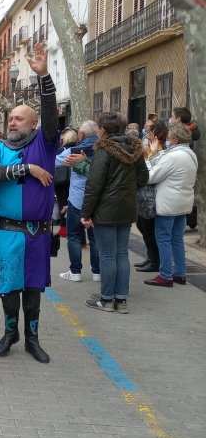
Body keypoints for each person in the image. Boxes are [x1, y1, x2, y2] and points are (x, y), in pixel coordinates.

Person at [0, 42, 59, 363]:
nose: (12, 123)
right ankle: (10, 332)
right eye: (10, 118)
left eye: (19, 119)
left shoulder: (46, 143)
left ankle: (32, 339)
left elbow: (52, 114)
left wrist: (44, 78)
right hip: (8, 230)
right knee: (10, 285)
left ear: (33, 124)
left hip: (38, 231)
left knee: (34, 286)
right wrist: (25, 168)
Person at [80, 112, 148, 313]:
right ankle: (121, 299)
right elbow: (143, 177)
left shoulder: (103, 150)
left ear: (102, 130)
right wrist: (127, 190)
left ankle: (107, 298)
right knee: (121, 254)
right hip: (126, 207)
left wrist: (86, 213)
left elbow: (94, 184)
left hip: (105, 209)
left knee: (107, 255)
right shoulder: (135, 149)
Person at [143, 124, 197, 287]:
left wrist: (146, 158)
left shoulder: (173, 156)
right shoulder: (189, 154)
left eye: (168, 138)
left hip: (168, 203)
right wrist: (155, 154)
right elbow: (163, 160)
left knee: (163, 238)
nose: (166, 140)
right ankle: (179, 273)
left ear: (175, 140)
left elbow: (151, 177)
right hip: (183, 202)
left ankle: (166, 275)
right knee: (176, 239)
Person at [55, 121, 99, 282]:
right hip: (97, 199)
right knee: (95, 238)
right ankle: (97, 272)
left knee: (74, 235)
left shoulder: (72, 151)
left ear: (81, 135)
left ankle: (75, 271)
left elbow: (55, 161)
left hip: (77, 199)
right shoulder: (103, 149)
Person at [135, 121, 168, 273]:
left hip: (151, 195)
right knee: (142, 226)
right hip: (144, 194)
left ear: (155, 135)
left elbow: (152, 173)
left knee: (148, 228)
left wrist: (148, 155)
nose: (146, 134)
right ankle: (151, 257)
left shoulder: (159, 150)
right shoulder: (152, 148)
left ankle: (155, 260)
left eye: (149, 132)